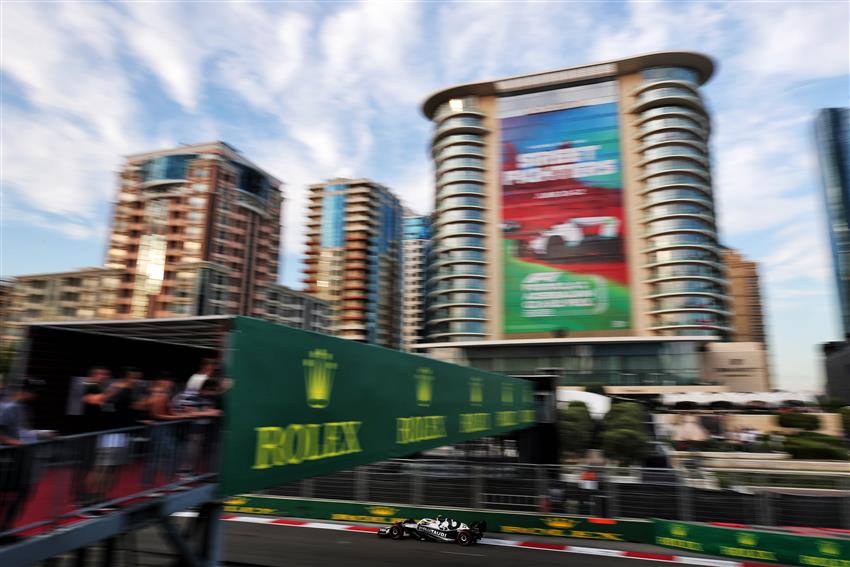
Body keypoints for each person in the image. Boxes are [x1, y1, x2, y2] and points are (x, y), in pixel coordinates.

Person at [0, 378, 46, 538]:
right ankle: (4, 528)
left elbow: (22, 431)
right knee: (11, 493)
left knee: (22, 492)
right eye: (34, 393)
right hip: (8, 458)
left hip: (20, 457)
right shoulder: (8, 407)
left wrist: (41, 434)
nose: (35, 397)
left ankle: (6, 528)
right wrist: (15, 442)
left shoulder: (23, 408)